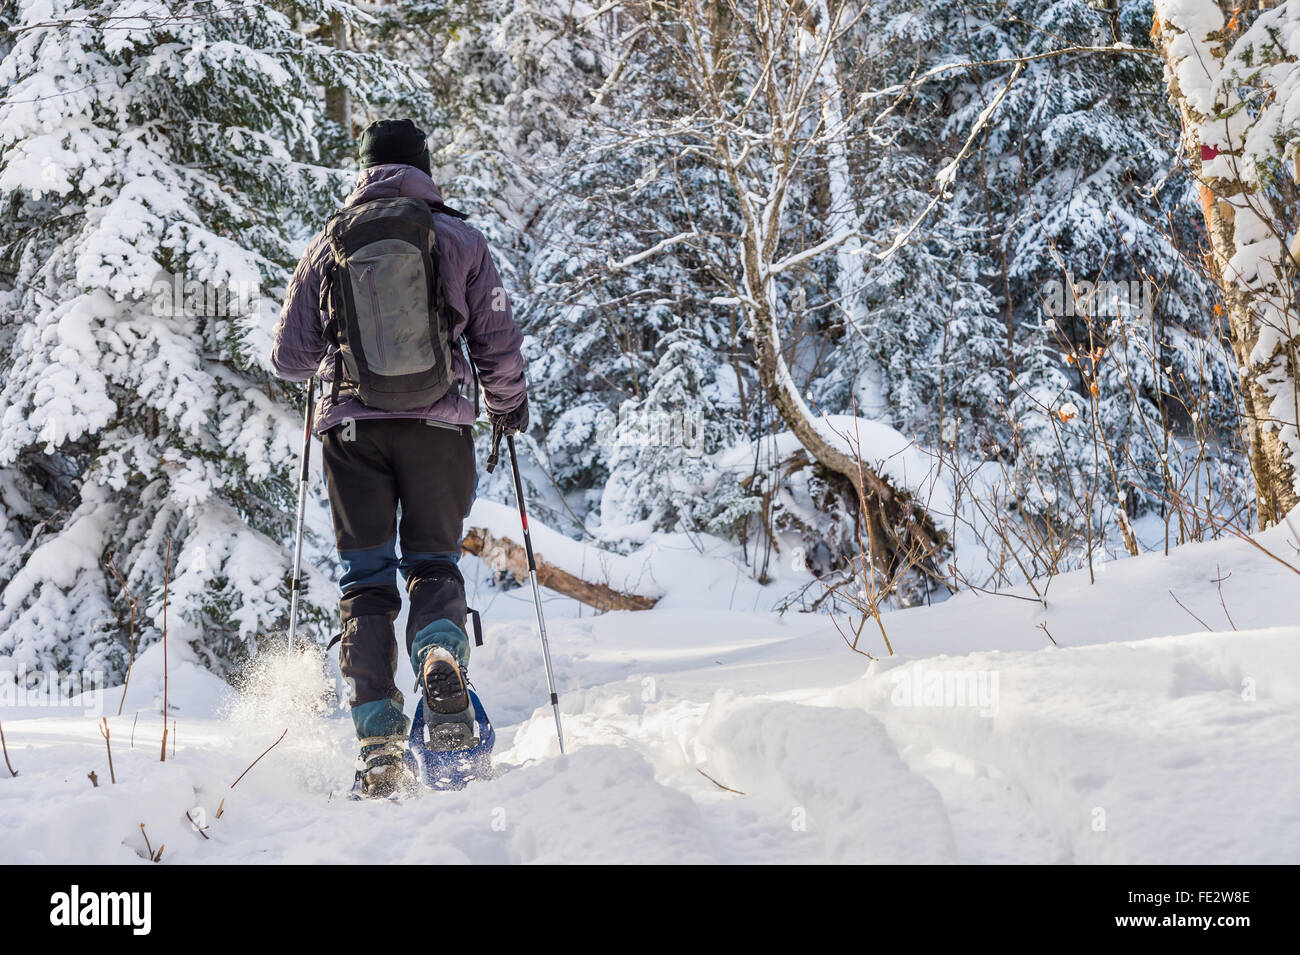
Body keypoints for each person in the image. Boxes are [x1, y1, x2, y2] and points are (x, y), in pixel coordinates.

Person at [271, 119, 528, 797]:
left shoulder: (329, 241)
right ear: (423, 167)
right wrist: (507, 405)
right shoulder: (462, 238)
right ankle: (441, 649)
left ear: (364, 170)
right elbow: (498, 343)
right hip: (440, 429)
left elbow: (290, 357)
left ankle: (380, 748)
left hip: (352, 437)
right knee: (433, 564)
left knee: (366, 585)